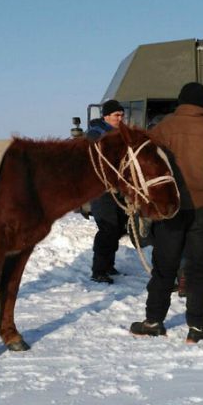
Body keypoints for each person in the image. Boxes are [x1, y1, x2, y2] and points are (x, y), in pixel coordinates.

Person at [130, 82, 203, 343]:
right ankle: (197, 327)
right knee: (199, 269)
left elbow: (147, 171)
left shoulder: (162, 128)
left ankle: (153, 322)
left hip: (168, 210)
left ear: (181, 101)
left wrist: (145, 209)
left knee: (164, 267)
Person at [86, 99, 128, 284]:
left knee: (118, 227)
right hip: (101, 190)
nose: (120, 118)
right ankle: (99, 270)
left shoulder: (122, 133)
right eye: (116, 115)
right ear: (106, 116)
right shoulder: (96, 134)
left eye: (122, 115)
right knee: (107, 228)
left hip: (118, 189)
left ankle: (109, 264)